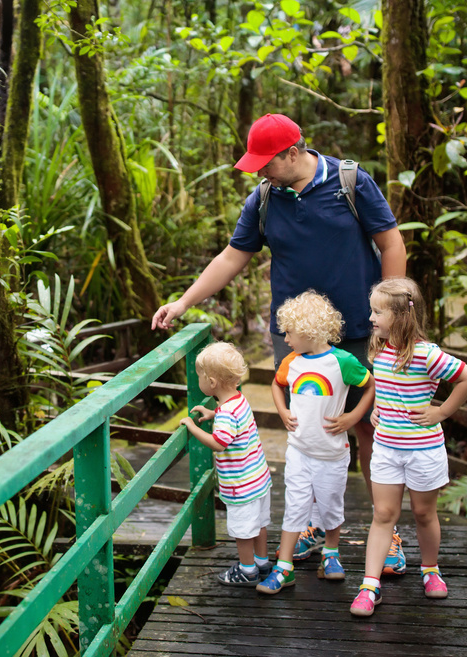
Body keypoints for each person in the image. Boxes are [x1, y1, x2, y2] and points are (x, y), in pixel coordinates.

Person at [152, 113, 409, 570]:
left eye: (265, 163)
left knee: (369, 426)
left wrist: (391, 317)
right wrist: (184, 302)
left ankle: (385, 532)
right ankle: (311, 524)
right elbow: (233, 255)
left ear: (293, 153)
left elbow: (391, 244)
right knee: (304, 425)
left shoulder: (351, 182)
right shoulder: (264, 199)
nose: (258, 173)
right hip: (297, 338)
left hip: (358, 329)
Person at [349, 277, 467, 616]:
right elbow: (386, 383)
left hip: (423, 449)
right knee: (383, 515)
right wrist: (379, 407)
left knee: (424, 513)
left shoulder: (426, 354)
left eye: (378, 312)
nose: (371, 318)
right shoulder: (379, 348)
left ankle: (430, 569)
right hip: (387, 449)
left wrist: (443, 411)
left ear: (401, 316)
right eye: (372, 311)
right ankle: (369, 585)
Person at [257, 291, 375, 595]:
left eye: (289, 332)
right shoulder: (291, 362)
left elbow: (370, 383)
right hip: (298, 451)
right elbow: (276, 383)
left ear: (309, 331)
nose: (285, 338)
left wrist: (353, 416)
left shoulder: (343, 362)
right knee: (294, 506)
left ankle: (331, 554)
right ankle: (284, 567)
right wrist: (282, 410)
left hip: (333, 454)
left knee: (331, 505)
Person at [181, 341, 273, 586]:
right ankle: (262, 563)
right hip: (258, 479)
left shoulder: (226, 413)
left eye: (200, 376)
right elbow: (234, 424)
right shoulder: (238, 401)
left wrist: (192, 427)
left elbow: (219, 442)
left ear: (211, 383)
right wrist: (213, 414)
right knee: (260, 523)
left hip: (241, 485)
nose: (198, 379)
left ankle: (247, 570)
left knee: (244, 530)